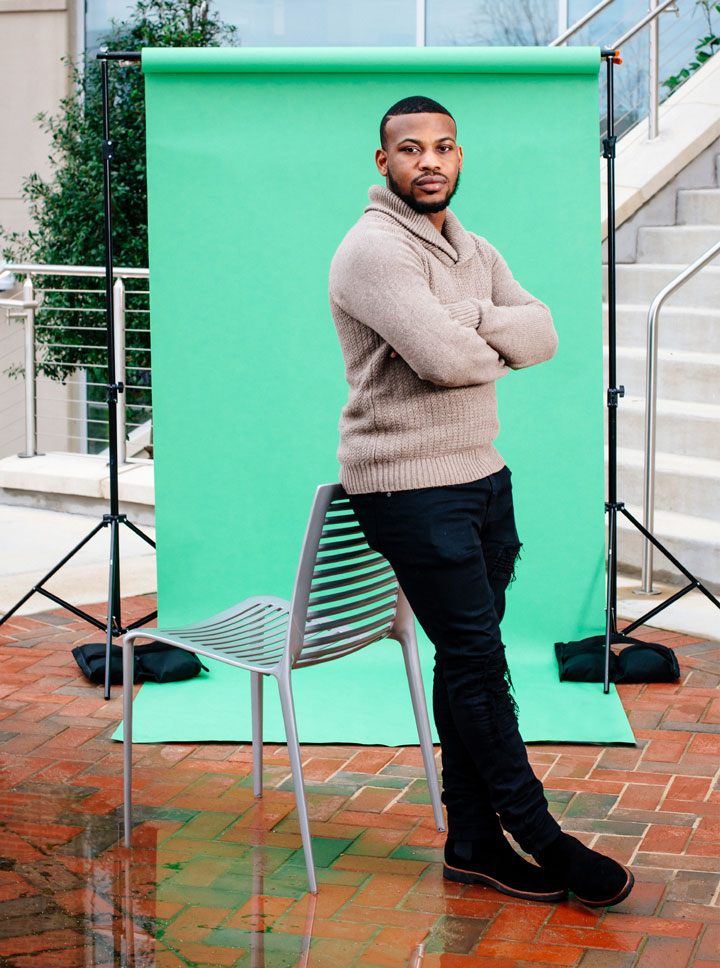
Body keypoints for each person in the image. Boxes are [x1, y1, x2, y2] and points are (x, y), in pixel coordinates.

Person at [328, 95, 634, 908]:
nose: (431, 161)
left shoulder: (473, 249)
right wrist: (474, 337)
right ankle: (542, 838)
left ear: (458, 158)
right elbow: (441, 360)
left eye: (445, 147)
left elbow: (546, 333)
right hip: (407, 484)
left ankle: (470, 840)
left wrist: (473, 323)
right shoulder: (371, 252)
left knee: (467, 661)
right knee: (478, 664)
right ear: (383, 162)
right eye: (412, 149)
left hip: (481, 477)